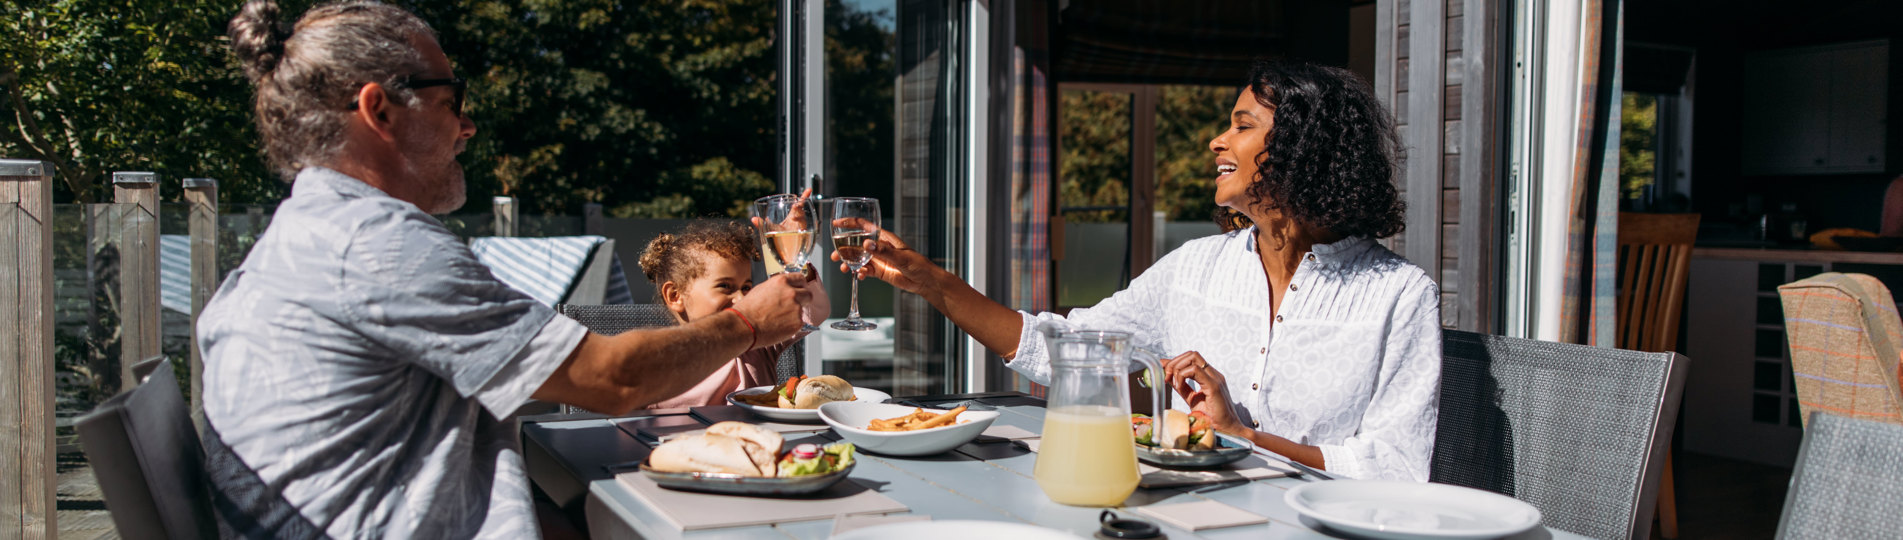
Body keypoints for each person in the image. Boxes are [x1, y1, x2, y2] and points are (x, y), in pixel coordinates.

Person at [201, 1, 812, 537]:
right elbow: (611, 382)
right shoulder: (374, 243)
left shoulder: (301, 239)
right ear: (379, 111)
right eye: (451, 100)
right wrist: (747, 324)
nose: (467, 125)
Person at [836, 60, 1440, 482]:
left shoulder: (1397, 295)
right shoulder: (1195, 269)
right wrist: (932, 283)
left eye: (1242, 125)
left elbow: (1395, 467)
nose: (1216, 140)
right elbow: (1067, 349)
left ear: (1305, 147)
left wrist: (1241, 435)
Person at [638, 220, 829, 408]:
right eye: (725, 286)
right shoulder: (658, 365)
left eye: (746, 287)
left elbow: (811, 310)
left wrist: (792, 255)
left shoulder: (758, 343)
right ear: (675, 296)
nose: (740, 298)